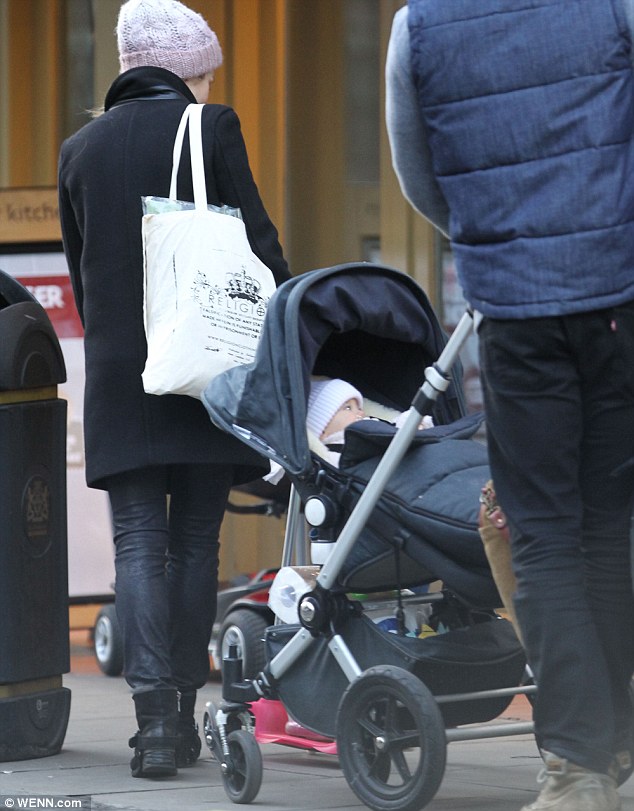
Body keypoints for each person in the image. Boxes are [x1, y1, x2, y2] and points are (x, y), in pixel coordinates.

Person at [386, 2, 634, 810]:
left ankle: (578, 766)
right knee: (610, 523)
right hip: (619, 295)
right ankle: (614, 738)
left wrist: (491, 233)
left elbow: (419, 174)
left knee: (545, 536)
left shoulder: (418, 26)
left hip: (516, 306)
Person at [57, 0, 290, 779]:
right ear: (185, 69)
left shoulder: (79, 150)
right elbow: (259, 249)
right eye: (206, 72)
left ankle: (154, 724)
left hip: (123, 372)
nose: (208, 84)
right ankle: (187, 710)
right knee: (195, 540)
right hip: (205, 363)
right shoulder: (211, 127)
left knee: (137, 541)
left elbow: (83, 279)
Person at [306, 377, 433, 465]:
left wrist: (415, 422)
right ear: (323, 430)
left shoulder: (372, 424)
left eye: (359, 408)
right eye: (348, 408)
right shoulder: (334, 454)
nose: (361, 413)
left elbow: (394, 425)